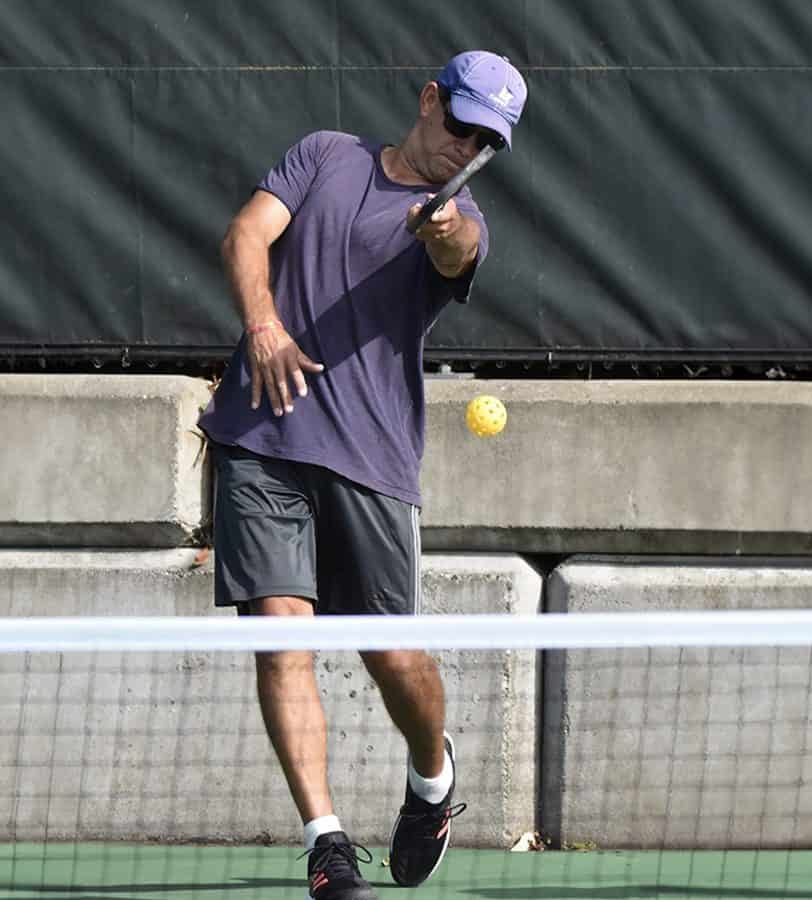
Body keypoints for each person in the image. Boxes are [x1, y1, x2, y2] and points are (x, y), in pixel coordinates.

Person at [196, 50, 527, 899]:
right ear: (428, 101)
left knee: (391, 652)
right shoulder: (325, 155)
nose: (464, 149)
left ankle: (431, 777)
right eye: (459, 125)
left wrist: (446, 232)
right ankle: (327, 842)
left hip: (371, 460)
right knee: (282, 637)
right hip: (259, 444)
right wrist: (263, 327)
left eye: (485, 142)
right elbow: (245, 235)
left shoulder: (463, 217)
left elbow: (459, 255)